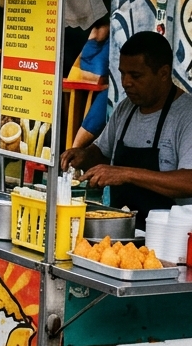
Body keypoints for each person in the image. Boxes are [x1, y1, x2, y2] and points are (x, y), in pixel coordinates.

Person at [61, 30, 192, 226]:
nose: (126, 82)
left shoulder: (186, 115)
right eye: (122, 73)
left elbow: (188, 181)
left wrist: (126, 174)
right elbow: (103, 152)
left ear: (164, 73)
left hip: (168, 241)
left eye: (136, 75)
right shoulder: (125, 108)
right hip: (121, 232)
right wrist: (84, 156)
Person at [66, 16, 111, 149]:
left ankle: (73, 151)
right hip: (90, 68)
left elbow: (98, 33)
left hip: (81, 68)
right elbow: (99, 33)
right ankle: (74, 150)